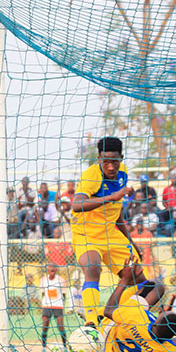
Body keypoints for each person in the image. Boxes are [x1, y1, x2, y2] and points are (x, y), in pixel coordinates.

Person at [71, 137, 139, 327]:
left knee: (141, 280)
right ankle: (91, 322)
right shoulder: (91, 176)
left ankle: (104, 312)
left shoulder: (123, 173)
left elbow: (116, 213)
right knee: (93, 268)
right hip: (86, 234)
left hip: (111, 233)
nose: (110, 166)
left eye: (114, 162)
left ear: (121, 159)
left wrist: (131, 242)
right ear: (98, 159)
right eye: (105, 161)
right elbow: (77, 205)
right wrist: (113, 196)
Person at [99, 258, 176, 352]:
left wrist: (124, 280)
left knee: (157, 285)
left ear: (155, 322)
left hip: (107, 331)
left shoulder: (135, 316)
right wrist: (166, 329)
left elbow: (108, 311)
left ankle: (97, 315)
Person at [39, 264, 68, 352]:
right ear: (47, 269)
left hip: (58, 306)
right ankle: (43, 348)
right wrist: (43, 304)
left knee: (60, 326)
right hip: (47, 306)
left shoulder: (61, 280)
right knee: (45, 326)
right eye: (50, 267)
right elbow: (43, 293)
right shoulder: (43, 280)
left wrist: (61, 303)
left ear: (56, 269)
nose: (52, 268)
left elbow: (64, 294)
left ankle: (65, 347)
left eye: (54, 267)